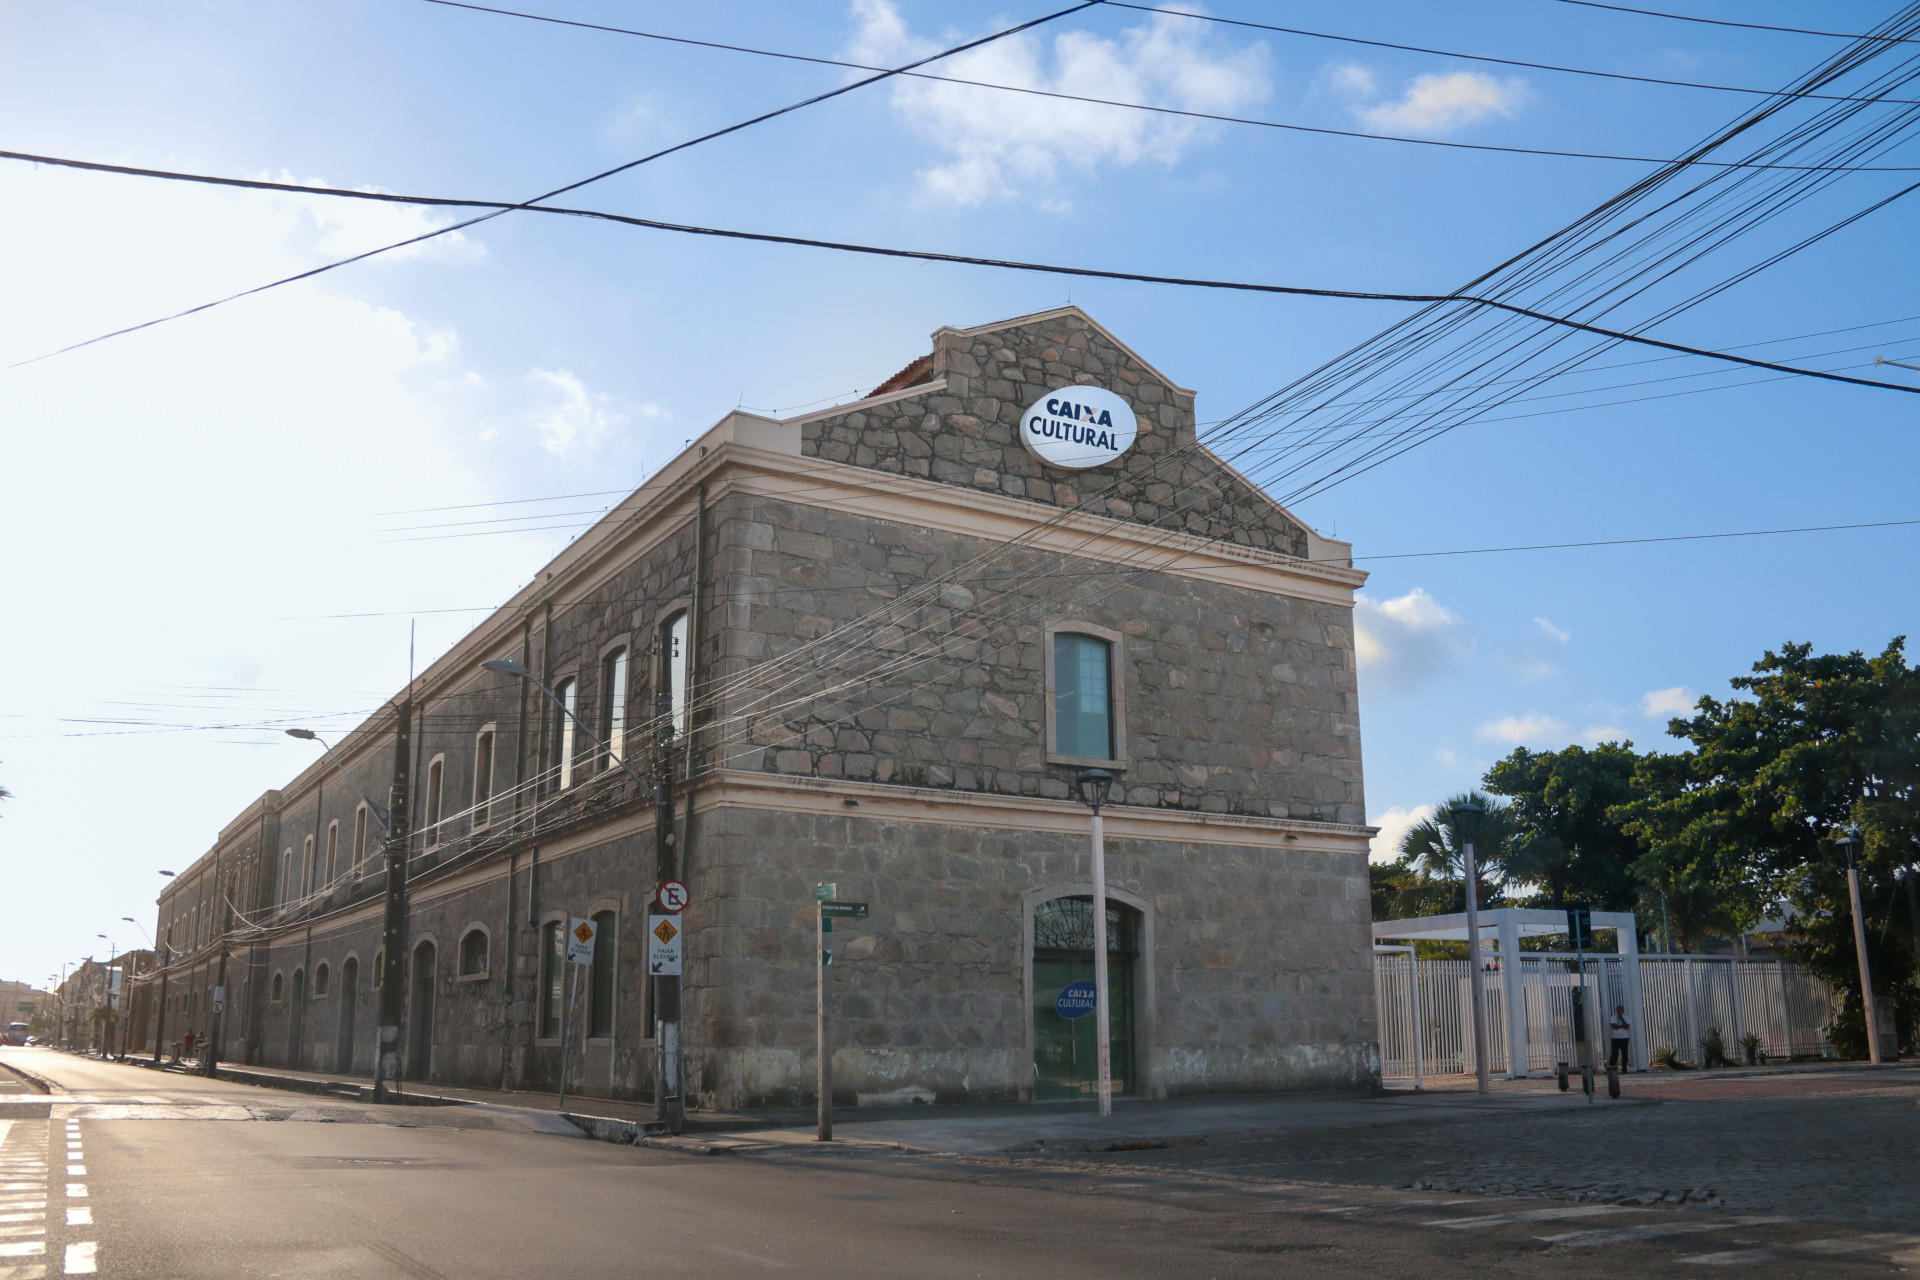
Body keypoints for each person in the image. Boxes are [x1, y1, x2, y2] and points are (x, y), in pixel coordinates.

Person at [1608, 1004, 1631, 1070]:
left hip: (1624, 1038)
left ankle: (1624, 1068)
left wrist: (1621, 1019)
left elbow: (1627, 1027)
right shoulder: (1613, 1017)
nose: (1619, 1011)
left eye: (1620, 1009)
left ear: (1622, 1010)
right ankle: (1612, 1068)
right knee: (1614, 1054)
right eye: (1618, 1009)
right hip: (1615, 1038)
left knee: (1624, 1054)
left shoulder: (1626, 1017)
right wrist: (1622, 1026)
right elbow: (1613, 1026)